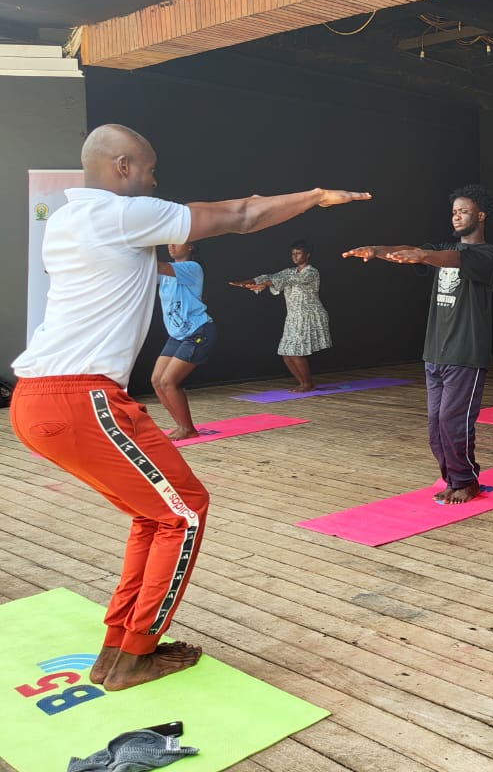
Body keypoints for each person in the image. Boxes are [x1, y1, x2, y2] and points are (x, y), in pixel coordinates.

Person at [8, 123, 368, 689]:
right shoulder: (119, 213)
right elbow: (242, 215)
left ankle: (121, 646)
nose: (155, 182)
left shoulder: (68, 218)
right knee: (184, 512)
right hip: (79, 397)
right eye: (150, 170)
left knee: (155, 515)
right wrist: (315, 196)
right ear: (123, 166)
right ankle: (134, 655)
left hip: (40, 399)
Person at [343, 184, 493, 505]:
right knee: (435, 427)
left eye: (464, 211)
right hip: (435, 352)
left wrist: (425, 256)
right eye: (454, 212)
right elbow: (411, 249)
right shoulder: (441, 248)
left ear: (481, 216)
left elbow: (452, 258)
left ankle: (467, 481)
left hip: (465, 353)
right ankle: (452, 480)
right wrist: (377, 249)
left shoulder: (487, 254)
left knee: (453, 423)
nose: (457, 216)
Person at [229, 239, 331, 392]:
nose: (295, 256)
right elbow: (269, 276)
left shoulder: (311, 272)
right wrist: (247, 282)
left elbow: (288, 280)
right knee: (286, 353)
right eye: (293, 254)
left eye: (298, 253)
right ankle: (302, 383)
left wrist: (266, 283)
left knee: (296, 352)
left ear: (307, 255)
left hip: (308, 315)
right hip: (293, 317)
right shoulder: (289, 271)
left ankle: (307, 384)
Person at [151, 242, 217, 440]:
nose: (171, 246)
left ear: (190, 247)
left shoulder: (192, 268)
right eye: (169, 242)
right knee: (157, 381)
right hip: (177, 335)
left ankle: (188, 428)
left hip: (198, 331)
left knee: (168, 381)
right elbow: (146, 272)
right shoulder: (165, 274)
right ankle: (181, 425)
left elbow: (156, 266)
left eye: (177, 242)